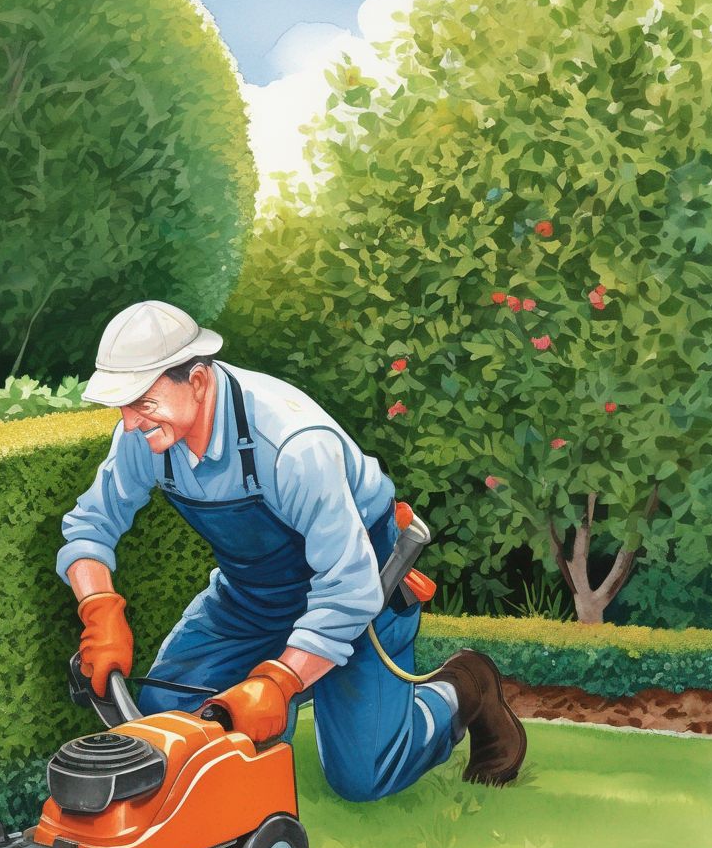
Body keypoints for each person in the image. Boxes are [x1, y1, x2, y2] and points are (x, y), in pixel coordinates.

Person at [56, 300, 526, 799]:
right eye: (123, 406)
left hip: (363, 586)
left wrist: (280, 681)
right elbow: (91, 524)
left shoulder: (292, 444)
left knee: (364, 777)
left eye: (142, 403)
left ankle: (464, 689)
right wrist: (98, 609)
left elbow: (347, 587)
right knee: (163, 716)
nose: (129, 423)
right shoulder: (144, 434)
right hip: (253, 595)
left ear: (195, 381)